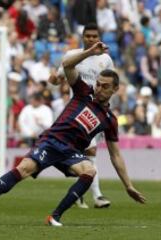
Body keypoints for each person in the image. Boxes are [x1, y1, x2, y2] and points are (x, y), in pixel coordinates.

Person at [0, 42, 146, 227]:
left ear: (115, 89)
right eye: (98, 84)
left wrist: (128, 186)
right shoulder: (84, 92)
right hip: (52, 141)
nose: (99, 88)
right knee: (24, 169)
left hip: (71, 151)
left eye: (105, 86)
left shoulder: (110, 120)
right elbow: (67, 65)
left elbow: (115, 154)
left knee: (89, 171)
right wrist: (90, 52)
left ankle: (55, 217)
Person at [49, 23, 114, 208]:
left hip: (96, 112)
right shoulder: (72, 56)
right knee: (89, 152)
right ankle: (97, 196)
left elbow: (111, 82)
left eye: (95, 36)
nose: (91, 39)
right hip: (77, 113)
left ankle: (80, 191)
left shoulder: (106, 60)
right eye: (88, 36)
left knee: (87, 154)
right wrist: (53, 80)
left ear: (99, 37)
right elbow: (60, 76)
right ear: (83, 37)